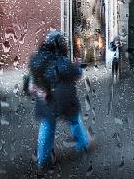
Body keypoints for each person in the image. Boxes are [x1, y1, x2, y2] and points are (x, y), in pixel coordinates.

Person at [29, 31, 92, 170]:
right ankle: (83, 144)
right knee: (74, 121)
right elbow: (76, 74)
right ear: (59, 44)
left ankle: (42, 159)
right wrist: (77, 65)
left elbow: (34, 78)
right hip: (64, 98)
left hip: (45, 99)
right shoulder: (62, 61)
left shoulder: (36, 59)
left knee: (47, 127)